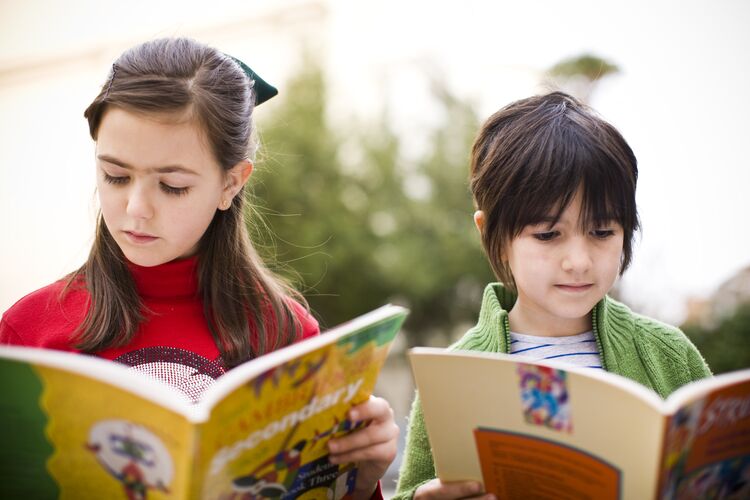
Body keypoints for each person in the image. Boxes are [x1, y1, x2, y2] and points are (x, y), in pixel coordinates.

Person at [0, 37, 397, 500]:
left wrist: (362, 481)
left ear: (231, 183)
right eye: (115, 176)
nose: (136, 208)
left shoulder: (287, 337)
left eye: (171, 186)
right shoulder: (28, 334)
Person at [394, 91, 711, 500]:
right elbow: (412, 490)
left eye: (602, 232)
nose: (578, 261)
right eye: (547, 235)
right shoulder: (455, 375)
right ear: (490, 234)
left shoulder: (667, 353)